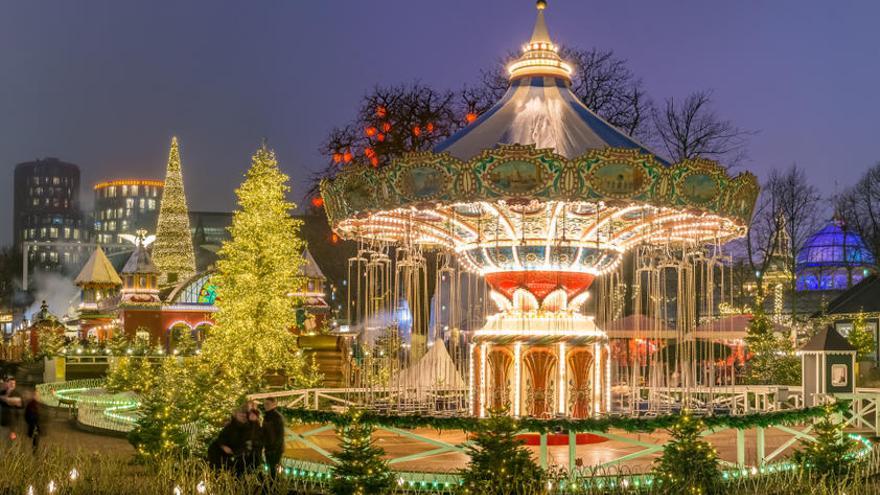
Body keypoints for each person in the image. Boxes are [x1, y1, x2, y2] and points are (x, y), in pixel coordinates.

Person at [207, 406, 249, 473]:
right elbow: (221, 438)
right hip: (217, 451)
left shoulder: (246, 428)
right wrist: (224, 447)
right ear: (236, 415)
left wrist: (235, 452)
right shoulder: (231, 426)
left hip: (230, 454)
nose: (243, 415)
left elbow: (243, 443)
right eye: (240, 413)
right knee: (217, 471)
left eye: (244, 413)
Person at [261, 397, 285, 479]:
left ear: (274, 404)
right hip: (269, 447)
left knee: (273, 470)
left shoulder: (276, 417)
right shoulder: (267, 416)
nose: (265, 406)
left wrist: (274, 448)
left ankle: (274, 486)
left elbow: (279, 434)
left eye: (268, 404)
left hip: (274, 448)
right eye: (264, 404)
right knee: (271, 469)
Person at [0, 376, 22, 445]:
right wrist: (8, 397)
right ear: (7, 384)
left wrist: (6, 399)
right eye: (10, 383)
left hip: (14, 425)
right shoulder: (2, 392)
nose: (12, 385)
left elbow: (19, 403)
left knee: (13, 444)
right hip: (4, 424)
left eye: (14, 383)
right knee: (3, 443)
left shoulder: (17, 393)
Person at [243, 406, 264, 473]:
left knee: (253, 471)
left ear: (257, 417)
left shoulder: (259, 428)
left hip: (255, 454)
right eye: (250, 414)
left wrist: (252, 443)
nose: (251, 416)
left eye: (253, 415)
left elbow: (261, 442)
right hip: (244, 453)